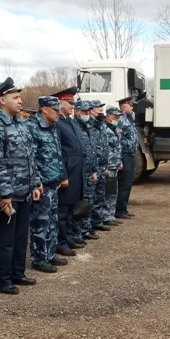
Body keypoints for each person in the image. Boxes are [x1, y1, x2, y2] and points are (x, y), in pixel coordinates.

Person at [0, 77, 40, 294]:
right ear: (1, 100)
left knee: (20, 235)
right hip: (8, 193)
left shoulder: (21, 122)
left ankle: (18, 272)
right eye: (15, 97)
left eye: (19, 97)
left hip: (24, 189)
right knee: (5, 239)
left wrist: (35, 182)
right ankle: (3, 280)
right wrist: (3, 193)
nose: (20, 101)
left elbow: (30, 156)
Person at [28, 96, 67, 273]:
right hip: (42, 185)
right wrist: (37, 182)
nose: (59, 113)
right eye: (56, 110)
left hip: (53, 183)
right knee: (40, 222)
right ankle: (38, 258)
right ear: (45, 109)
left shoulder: (53, 128)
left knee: (52, 220)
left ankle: (50, 254)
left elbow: (58, 154)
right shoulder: (33, 128)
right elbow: (31, 159)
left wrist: (60, 176)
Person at [51, 87, 86, 255]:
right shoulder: (57, 122)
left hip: (76, 171)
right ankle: (61, 242)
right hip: (67, 171)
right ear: (60, 102)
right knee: (63, 211)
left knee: (72, 208)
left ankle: (69, 237)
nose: (72, 106)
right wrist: (63, 174)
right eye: (69, 102)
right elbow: (58, 152)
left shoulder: (69, 120)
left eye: (73, 102)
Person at [71, 100, 100, 241]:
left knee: (88, 202)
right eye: (84, 112)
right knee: (79, 204)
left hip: (89, 172)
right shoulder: (73, 127)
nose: (87, 114)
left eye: (89, 112)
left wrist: (94, 170)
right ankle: (77, 233)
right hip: (79, 173)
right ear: (77, 112)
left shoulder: (87, 126)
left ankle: (85, 229)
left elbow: (92, 150)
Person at [88, 100, 111, 232]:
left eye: (102, 109)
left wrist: (105, 165)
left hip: (102, 166)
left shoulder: (101, 124)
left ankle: (98, 221)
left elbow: (104, 145)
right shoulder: (89, 125)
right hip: (94, 167)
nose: (102, 111)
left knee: (100, 195)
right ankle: (88, 225)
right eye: (99, 109)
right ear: (92, 111)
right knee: (91, 197)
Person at [115, 96, 139, 219]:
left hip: (130, 154)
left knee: (128, 183)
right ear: (124, 106)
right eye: (131, 105)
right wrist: (119, 158)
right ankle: (119, 210)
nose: (132, 107)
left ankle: (123, 208)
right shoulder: (121, 120)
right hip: (124, 155)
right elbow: (117, 138)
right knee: (124, 183)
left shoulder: (129, 119)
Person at [103, 107, 124, 226]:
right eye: (115, 117)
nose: (118, 119)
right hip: (108, 165)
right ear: (108, 116)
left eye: (119, 117)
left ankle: (111, 215)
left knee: (113, 191)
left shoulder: (116, 128)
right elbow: (103, 149)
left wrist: (119, 161)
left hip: (114, 165)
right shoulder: (105, 130)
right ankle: (106, 216)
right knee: (108, 192)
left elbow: (117, 147)